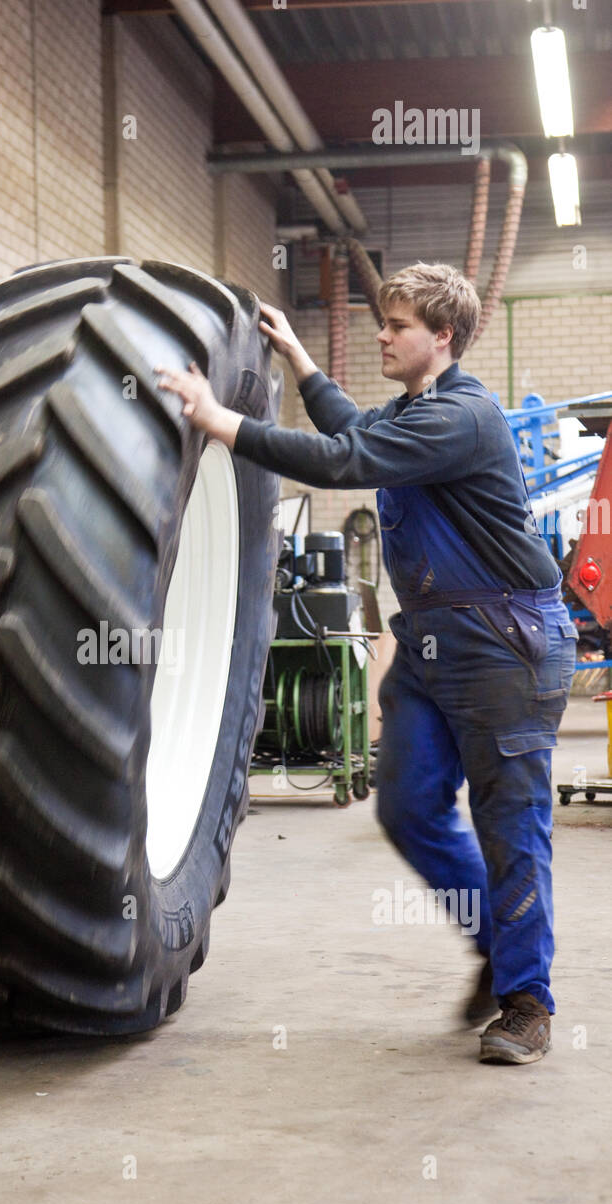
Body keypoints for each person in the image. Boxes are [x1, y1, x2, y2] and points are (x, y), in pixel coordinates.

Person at [155, 262, 574, 1065]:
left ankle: (528, 1003)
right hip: (429, 643)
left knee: (510, 822)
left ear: (442, 336)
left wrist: (219, 421)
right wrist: (304, 366)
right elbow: (359, 433)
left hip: (503, 645)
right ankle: (497, 940)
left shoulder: (466, 416)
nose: (382, 335)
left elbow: (345, 461)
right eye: (382, 323)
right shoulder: (419, 411)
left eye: (398, 325)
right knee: (408, 805)